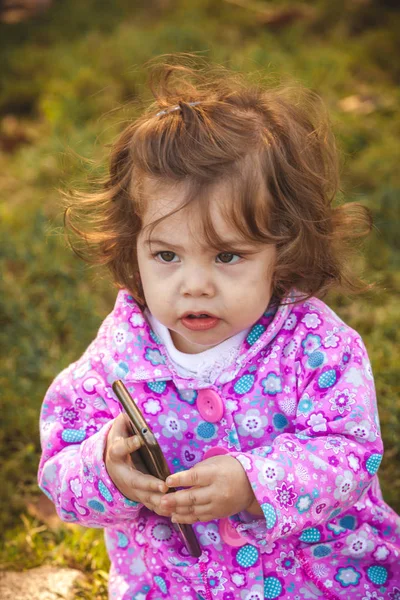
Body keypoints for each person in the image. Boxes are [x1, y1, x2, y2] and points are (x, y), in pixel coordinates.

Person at [38, 56, 400, 600]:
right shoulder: (117, 354)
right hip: (173, 583)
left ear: (281, 248)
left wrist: (254, 482)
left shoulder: (318, 347)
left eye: (228, 256)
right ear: (132, 248)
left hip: (319, 577)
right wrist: (107, 469)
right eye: (166, 255)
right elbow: (60, 468)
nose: (195, 285)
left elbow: (350, 451)